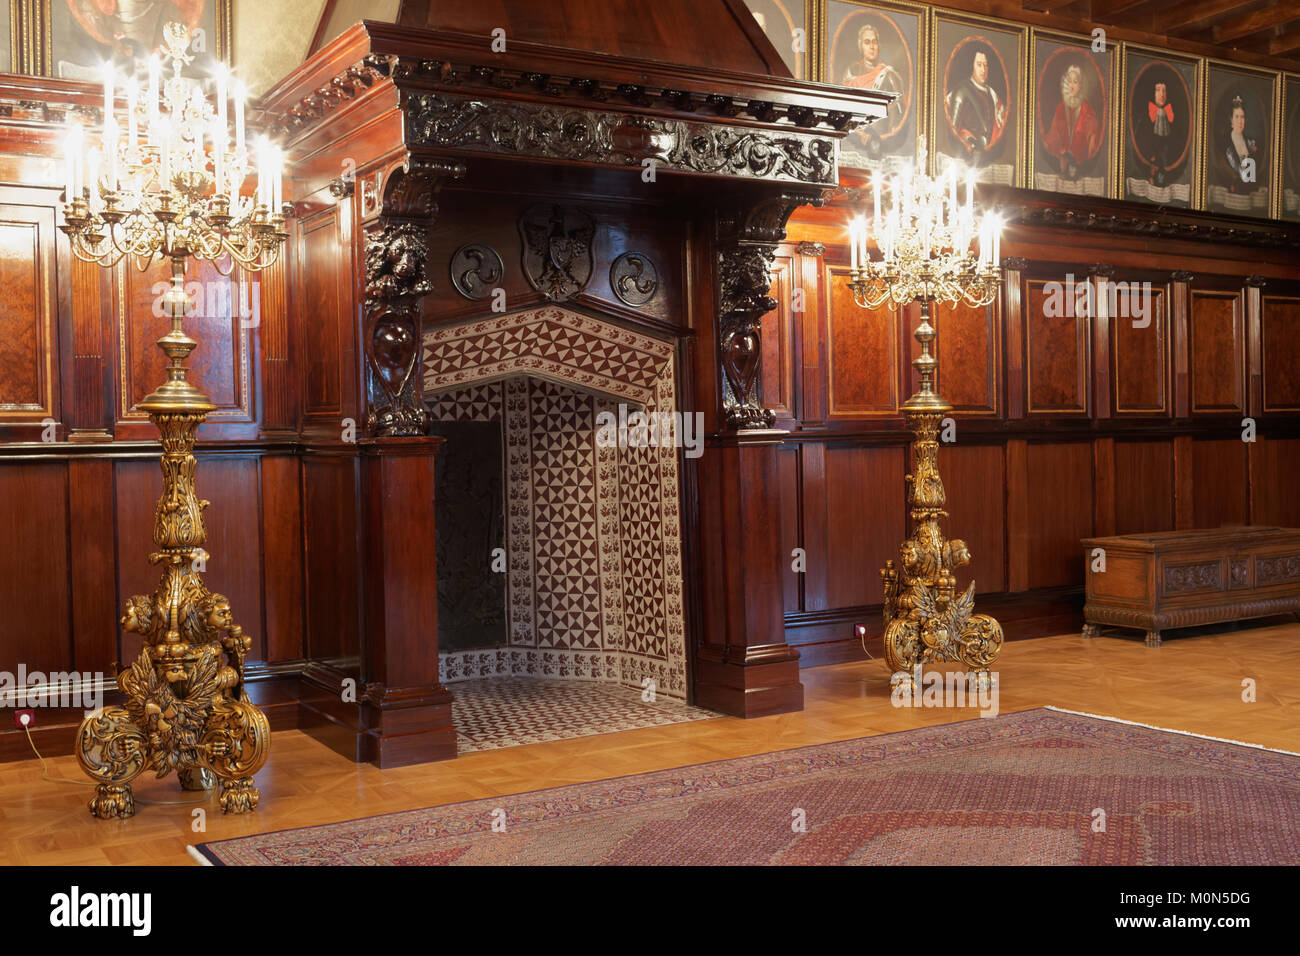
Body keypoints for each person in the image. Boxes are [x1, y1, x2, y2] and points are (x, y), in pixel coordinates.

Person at [843, 23, 904, 155]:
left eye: (874, 42)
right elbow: (844, 109)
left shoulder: (889, 74)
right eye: (867, 42)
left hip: (883, 135)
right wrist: (859, 133)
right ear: (861, 47)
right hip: (856, 134)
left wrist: (886, 135)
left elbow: (897, 111)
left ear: (879, 46)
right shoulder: (852, 72)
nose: (871, 46)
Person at [947, 48, 1007, 165]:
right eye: (979, 65)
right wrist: (968, 140)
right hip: (967, 158)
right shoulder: (961, 91)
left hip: (989, 157)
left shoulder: (992, 94)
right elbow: (953, 130)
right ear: (972, 66)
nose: (983, 69)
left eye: (985, 65)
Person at [1042, 63, 1102, 180]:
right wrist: (1049, 145)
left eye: (1075, 82)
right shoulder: (1060, 109)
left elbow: (1092, 144)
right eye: (1069, 81)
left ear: (1080, 85)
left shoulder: (1088, 112)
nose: (1072, 86)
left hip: (1081, 168)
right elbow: (1054, 135)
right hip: (1063, 166)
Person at [1218, 96, 1259, 193]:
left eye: (1242, 117)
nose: (1240, 121)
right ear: (1231, 120)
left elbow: (1252, 176)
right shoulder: (1224, 142)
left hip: (1247, 193)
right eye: (1237, 117)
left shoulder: (1250, 143)